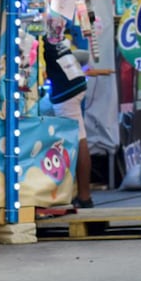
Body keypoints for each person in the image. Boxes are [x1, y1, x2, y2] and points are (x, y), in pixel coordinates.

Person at [42, 26, 94, 209]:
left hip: (66, 90)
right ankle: (81, 195)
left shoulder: (37, 37)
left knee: (79, 140)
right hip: (75, 82)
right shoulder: (51, 33)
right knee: (79, 137)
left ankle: (84, 196)